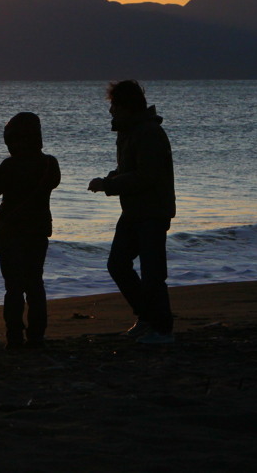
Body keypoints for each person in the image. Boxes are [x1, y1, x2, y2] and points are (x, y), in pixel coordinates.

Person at [88, 80, 177, 345]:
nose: (111, 111)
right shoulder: (129, 132)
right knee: (117, 264)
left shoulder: (148, 132)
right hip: (134, 211)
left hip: (152, 211)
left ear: (127, 106)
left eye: (114, 105)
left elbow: (146, 176)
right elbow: (130, 169)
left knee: (152, 274)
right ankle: (147, 318)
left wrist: (109, 185)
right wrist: (110, 179)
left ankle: (162, 329)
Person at [0, 113, 61, 351]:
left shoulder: (11, 166)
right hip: (38, 230)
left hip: (12, 232)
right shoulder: (49, 164)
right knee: (35, 284)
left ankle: (14, 337)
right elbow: (51, 183)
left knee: (13, 287)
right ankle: (36, 337)